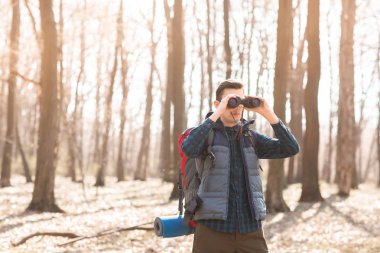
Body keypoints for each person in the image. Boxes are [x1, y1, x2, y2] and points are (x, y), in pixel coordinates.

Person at [181, 79, 299, 253]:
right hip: (213, 228)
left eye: (240, 101)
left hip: (250, 228)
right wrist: (217, 113)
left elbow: (291, 148)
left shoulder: (251, 138)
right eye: (231, 101)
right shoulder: (206, 135)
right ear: (217, 104)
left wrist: (268, 113)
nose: (237, 107)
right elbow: (188, 148)